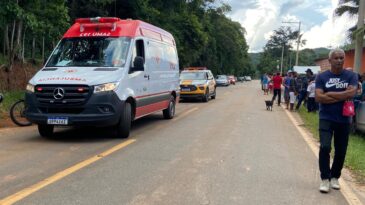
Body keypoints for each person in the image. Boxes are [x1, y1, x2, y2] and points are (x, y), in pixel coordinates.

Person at [315, 48, 358, 193]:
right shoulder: (322, 77)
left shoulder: (351, 75)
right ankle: (325, 179)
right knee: (325, 147)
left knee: (341, 150)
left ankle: (334, 177)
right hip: (326, 117)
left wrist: (330, 94)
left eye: (341, 58)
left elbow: (352, 93)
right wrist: (342, 94)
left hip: (344, 119)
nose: (339, 61)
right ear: (330, 60)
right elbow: (319, 97)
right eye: (336, 58)